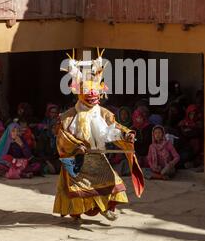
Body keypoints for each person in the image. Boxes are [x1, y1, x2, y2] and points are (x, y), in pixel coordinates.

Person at [54, 53, 144, 223]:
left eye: (96, 94)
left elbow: (113, 128)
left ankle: (108, 208)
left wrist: (126, 134)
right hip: (77, 158)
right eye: (89, 93)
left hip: (97, 156)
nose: (94, 97)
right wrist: (76, 147)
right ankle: (76, 212)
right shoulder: (68, 116)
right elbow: (62, 138)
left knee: (110, 181)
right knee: (77, 188)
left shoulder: (102, 112)